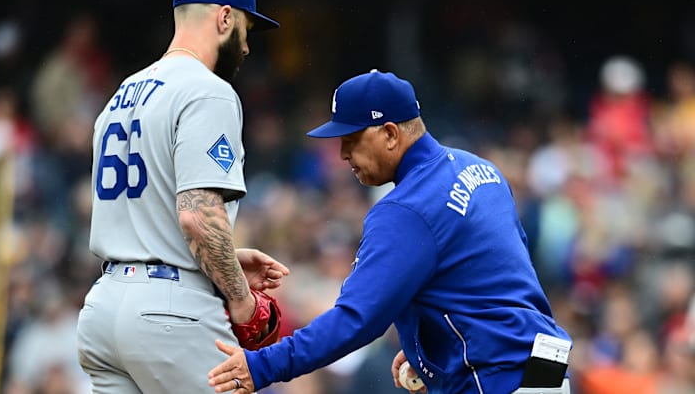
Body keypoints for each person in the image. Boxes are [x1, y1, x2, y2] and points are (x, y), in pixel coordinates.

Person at [207, 70, 572, 394]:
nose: (343, 154)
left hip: (493, 379)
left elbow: (356, 320)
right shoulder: (480, 169)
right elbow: (491, 278)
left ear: (391, 133)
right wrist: (428, 348)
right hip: (542, 368)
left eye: (351, 138)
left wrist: (262, 366)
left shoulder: (406, 207)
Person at [76, 0, 289, 393]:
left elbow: (146, 214)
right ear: (225, 18)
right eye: (246, 29)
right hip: (169, 315)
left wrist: (221, 260)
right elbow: (196, 214)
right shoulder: (208, 90)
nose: (246, 46)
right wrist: (241, 299)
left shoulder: (122, 94)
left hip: (103, 309)